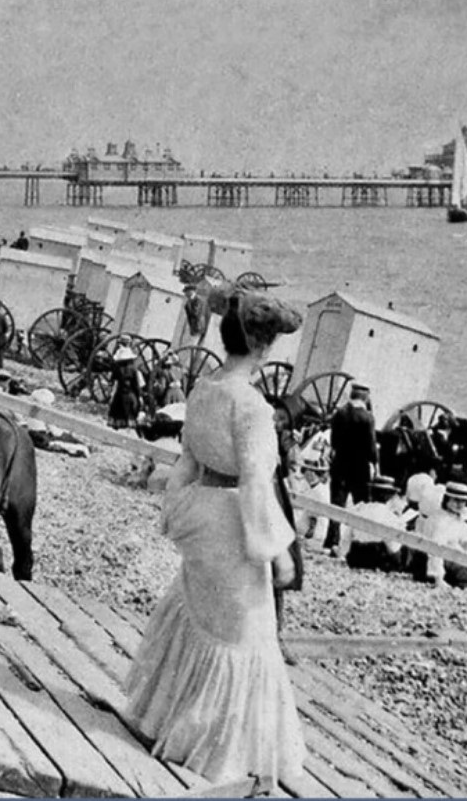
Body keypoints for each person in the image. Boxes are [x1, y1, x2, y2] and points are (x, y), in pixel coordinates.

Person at [124, 289, 305, 784]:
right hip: (232, 522)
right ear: (263, 346)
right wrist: (276, 551)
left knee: (199, 615)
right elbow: (255, 482)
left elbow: (188, 458)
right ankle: (216, 749)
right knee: (244, 634)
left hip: (201, 510)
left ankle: (165, 718)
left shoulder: (205, 387)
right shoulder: (252, 406)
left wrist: (176, 511)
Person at [324, 382, 378, 553]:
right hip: (359, 468)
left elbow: (333, 441)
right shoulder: (368, 418)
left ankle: (331, 542)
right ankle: (358, 545)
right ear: (366, 398)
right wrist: (375, 463)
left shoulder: (340, 413)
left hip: (340, 464)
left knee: (336, 504)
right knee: (361, 506)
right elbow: (371, 445)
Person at [107, 337, 145, 430]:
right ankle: (129, 422)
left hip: (120, 390)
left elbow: (112, 379)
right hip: (129, 390)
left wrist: (110, 390)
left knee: (117, 407)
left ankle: (117, 423)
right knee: (131, 406)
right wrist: (140, 394)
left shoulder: (118, 368)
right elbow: (136, 383)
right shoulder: (133, 369)